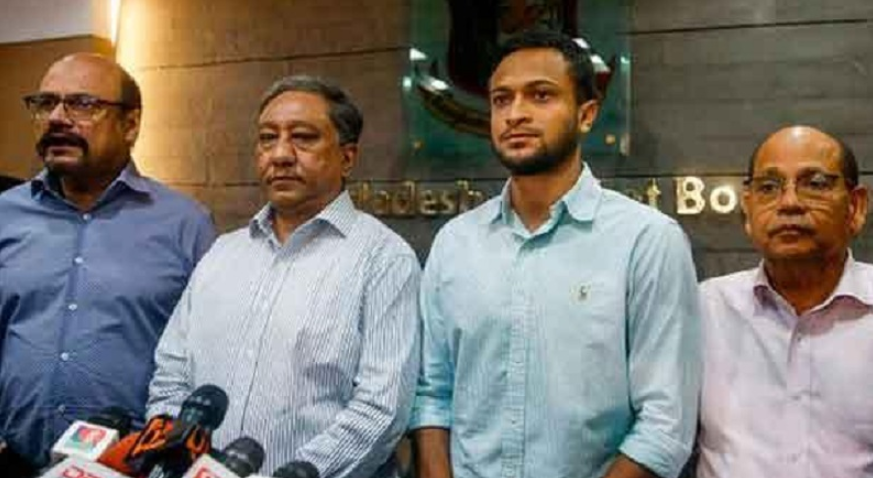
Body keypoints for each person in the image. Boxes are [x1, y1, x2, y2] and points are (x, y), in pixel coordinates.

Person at [409, 30, 701, 478]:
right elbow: (432, 394)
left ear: (586, 115)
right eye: (501, 100)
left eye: (540, 95)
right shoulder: (455, 242)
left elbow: (664, 425)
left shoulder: (647, 240)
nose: (515, 114)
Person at [147, 75, 421, 477]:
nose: (280, 155)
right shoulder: (223, 253)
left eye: (303, 138)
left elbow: (381, 409)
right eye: (267, 138)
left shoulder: (383, 259)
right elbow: (171, 374)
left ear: (347, 158)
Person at [0, 53, 215, 475]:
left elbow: (207, 356)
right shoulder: (5, 214)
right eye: (46, 103)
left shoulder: (186, 225)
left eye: (82, 104)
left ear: (130, 124)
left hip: (131, 465)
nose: (57, 118)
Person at [697, 126, 871, 478]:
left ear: (855, 207)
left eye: (815, 184)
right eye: (768, 187)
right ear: (748, 208)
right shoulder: (704, 309)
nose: (789, 202)